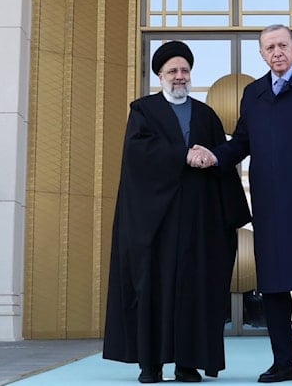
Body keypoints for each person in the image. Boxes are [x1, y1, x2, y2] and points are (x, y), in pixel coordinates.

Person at [191, 25, 292, 384]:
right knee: (275, 287)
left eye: (282, 45)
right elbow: (242, 141)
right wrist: (214, 156)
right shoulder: (254, 94)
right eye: (269, 48)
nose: (277, 52)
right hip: (271, 205)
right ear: (262, 55)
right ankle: (284, 364)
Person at [103, 40, 251, 383]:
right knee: (154, 289)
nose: (180, 76)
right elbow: (138, 156)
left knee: (195, 290)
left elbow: (220, 157)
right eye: (173, 71)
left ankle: (188, 363)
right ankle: (151, 364)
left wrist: (211, 158)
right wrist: (183, 155)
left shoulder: (206, 115)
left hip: (200, 223)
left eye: (185, 70)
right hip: (157, 223)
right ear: (160, 75)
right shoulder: (143, 111)